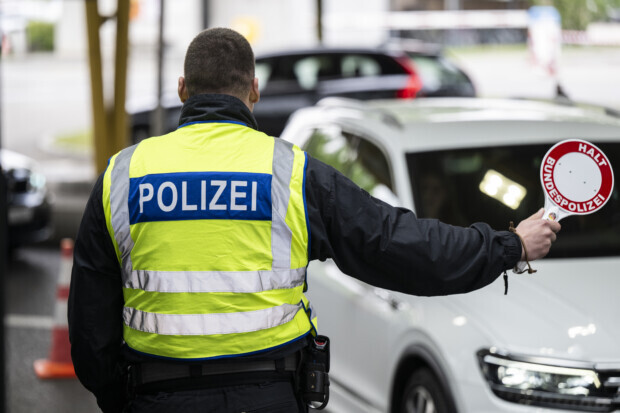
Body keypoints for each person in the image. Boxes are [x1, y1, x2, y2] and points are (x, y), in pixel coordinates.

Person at [68, 27, 560, 413]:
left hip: (157, 396)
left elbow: (90, 326)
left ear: (182, 89)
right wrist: (510, 245)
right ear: (254, 90)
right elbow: (400, 245)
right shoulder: (290, 173)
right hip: (269, 397)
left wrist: (123, 398)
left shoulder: (122, 176)